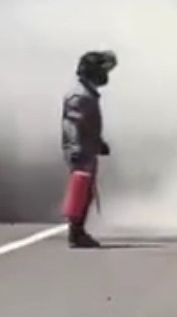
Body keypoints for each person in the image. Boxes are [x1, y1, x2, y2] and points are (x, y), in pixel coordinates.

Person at [61, 50, 117, 248]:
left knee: (86, 191)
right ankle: (76, 233)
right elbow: (73, 125)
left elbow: (86, 124)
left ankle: (78, 231)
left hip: (86, 147)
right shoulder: (80, 95)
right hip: (80, 149)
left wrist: (98, 142)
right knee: (81, 191)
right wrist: (76, 148)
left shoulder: (87, 93)